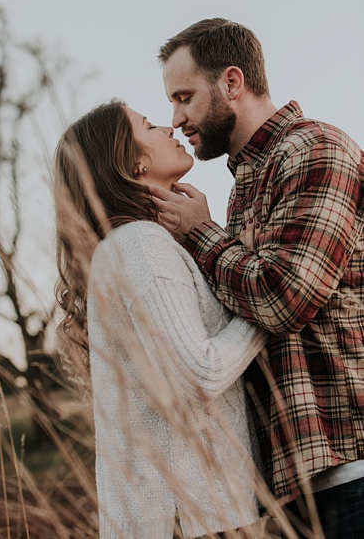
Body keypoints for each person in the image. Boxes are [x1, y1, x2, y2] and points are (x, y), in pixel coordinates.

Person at [151, 17, 364, 537]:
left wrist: (203, 234)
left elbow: (285, 298)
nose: (175, 119)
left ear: (231, 82)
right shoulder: (246, 182)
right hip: (303, 483)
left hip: (353, 469)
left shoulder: (317, 150)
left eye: (184, 97)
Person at [54, 100, 268, 538]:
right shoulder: (141, 246)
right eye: (149, 126)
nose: (170, 127)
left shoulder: (134, 246)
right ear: (133, 163)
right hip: (191, 517)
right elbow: (202, 374)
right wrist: (266, 308)